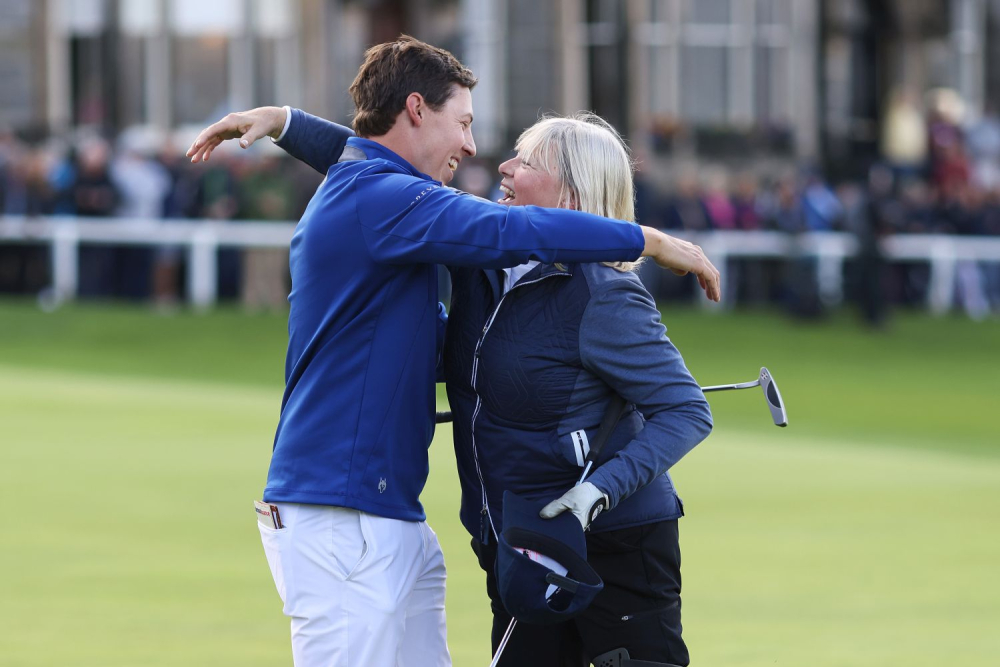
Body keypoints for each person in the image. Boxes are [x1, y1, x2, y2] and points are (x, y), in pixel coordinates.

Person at [185, 36, 721, 667]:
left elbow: (361, 153)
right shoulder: (387, 199)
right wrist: (648, 239)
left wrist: (286, 123)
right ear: (416, 109)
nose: (475, 149)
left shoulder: (380, 187)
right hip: (341, 514)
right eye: (463, 123)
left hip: (387, 514)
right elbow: (508, 228)